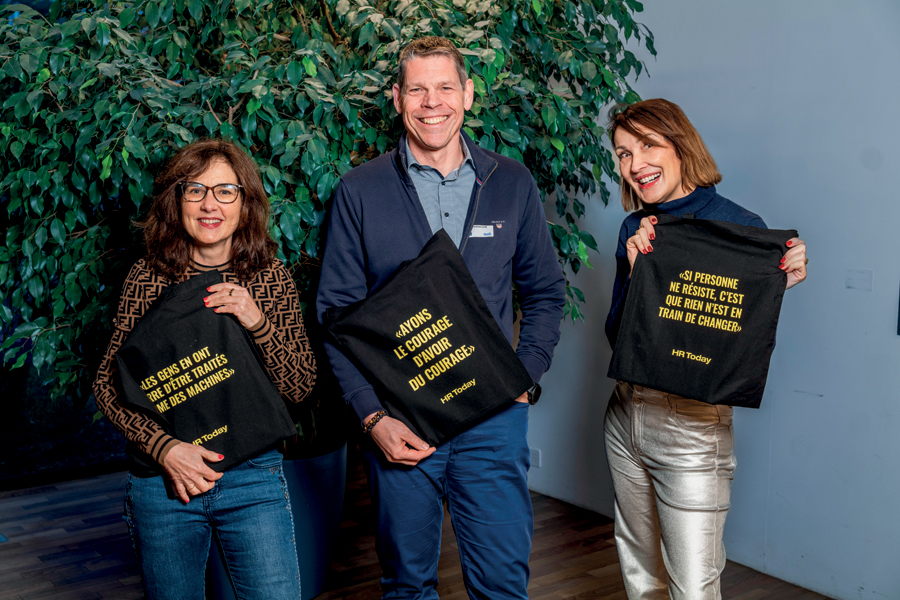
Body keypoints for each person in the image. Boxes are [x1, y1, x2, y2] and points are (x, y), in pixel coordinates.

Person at [316, 36, 566, 599]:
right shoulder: (359, 190)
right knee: (407, 587)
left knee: (502, 587)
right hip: (401, 421)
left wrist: (524, 374)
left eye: (446, 87)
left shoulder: (512, 182)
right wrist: (371, 417)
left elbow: (546, 292)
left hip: (493, 419)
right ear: (397, 98)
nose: (433, 103)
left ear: (468, 95)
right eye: (418, 90)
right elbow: (335, 317)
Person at [603, 98, 808, 600]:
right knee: (641, 575)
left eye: (648, 145)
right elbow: (618, 337)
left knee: (693, 587)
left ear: (680, 145)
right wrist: (639, 275)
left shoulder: (743, 227)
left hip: (692, 426)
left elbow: (731, 339)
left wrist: (779, 281)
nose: (635, 164)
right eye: (624, 153)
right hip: (625, 413)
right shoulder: (635, 228)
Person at [93, 139, 316, 599]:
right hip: (164, 483)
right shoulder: (148, 277)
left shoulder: (268, 276)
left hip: (252, 476)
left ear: (245, 202)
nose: (210, 204)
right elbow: (108, 386)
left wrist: (256, 321)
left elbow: (300, 386)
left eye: (225, 191)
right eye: (195, 190)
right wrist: (165, 448)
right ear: (177, 201)